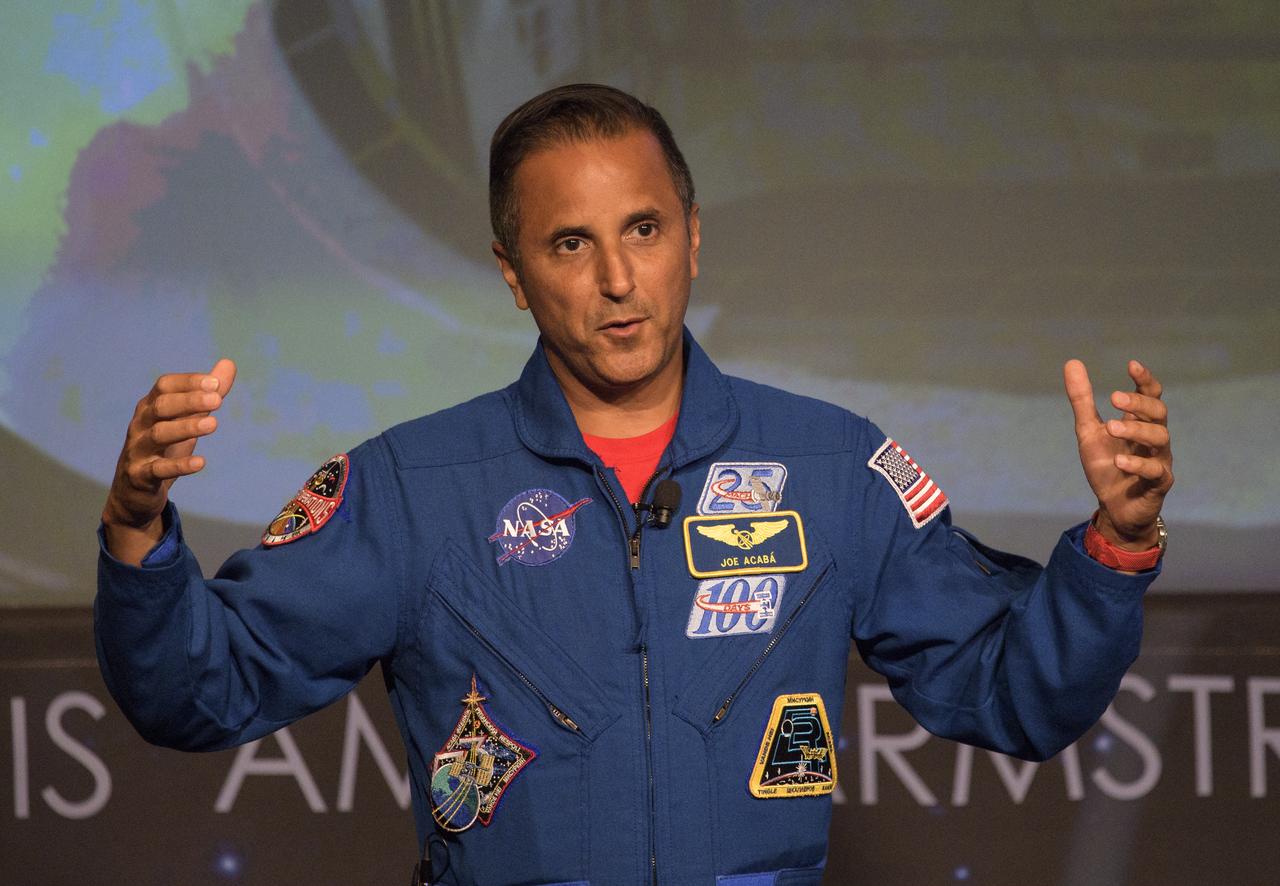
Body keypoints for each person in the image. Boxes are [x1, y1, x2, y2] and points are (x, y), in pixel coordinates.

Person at [96, 84, 1173, 885]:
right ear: (513, 273)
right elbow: (201, 692)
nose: (617, 280)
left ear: (692, 239)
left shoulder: (831, 466)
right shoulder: (413, 487)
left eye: (643, 230)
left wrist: (1113, 547)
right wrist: (137, 532)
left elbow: (1015, 694)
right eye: (570, 243)